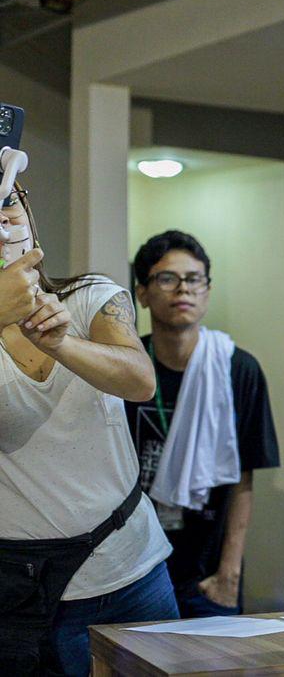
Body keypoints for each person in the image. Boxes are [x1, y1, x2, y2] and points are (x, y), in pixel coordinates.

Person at [0, 182, 176, 676]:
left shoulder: (89, 296)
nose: (2, 220)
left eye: (9, 203)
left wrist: (61, 343)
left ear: (29, 214)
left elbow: (140, 381)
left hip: (128, 570)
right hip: (18, 592)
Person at [128, 231, 280, 618]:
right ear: (142, 292)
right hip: (132, 570)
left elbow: (243, 479)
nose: (184, 289)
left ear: (207, 290)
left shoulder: (237, 368)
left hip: (206, 573)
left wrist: (229, 574)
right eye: (167, 278)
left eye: (194, 279)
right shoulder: (124, 369)